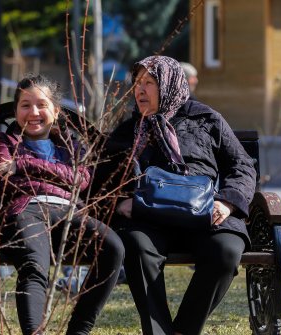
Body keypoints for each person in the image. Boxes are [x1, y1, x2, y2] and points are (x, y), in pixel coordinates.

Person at [103, 56, 256, 335]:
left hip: (204, 212)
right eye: (137, 83)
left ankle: (183, 331)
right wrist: (120, 201)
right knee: (136, 246)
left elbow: (241, 165)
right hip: (150, 218)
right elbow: (103, 176)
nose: (140, 90)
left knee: (226, 250)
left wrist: (228, 201)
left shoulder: (206, 118)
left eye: (149, 83)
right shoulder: (129, 130)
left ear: (169, 84)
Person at [0, 74, 125, 335]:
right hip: (26, 209)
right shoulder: (3, 142)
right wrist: (56, 172)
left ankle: (79, 330)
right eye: (25, 105)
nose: (33, 112)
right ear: (16, 110)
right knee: (34, 264)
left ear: (56, 111)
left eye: (41, 104)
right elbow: (4, 178)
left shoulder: (70, 145)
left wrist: (24, 164)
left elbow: (80, 179)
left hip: (68, 212)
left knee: (113, 248)